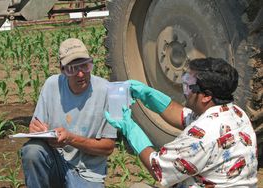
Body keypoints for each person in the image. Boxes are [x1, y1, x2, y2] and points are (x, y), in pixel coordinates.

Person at [105, 57, 258, 187]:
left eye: (188, 86)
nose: (184, 90)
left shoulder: (201, 136)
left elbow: (158, 168)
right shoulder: (236, 113)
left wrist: (130, 129)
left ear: (206, 96)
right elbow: (182, 116)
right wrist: (148, 95)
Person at [21, 38, 117, 188]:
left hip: (88, 173)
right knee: (32, 151)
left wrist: (71, 139)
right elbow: (37, 127)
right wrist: (36, 131)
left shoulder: (107, 91)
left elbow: (108, 147)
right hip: (57, 163)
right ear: (63, 69)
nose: (80, 74)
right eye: (73, 68)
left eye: (85, 66)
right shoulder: (51, 85)